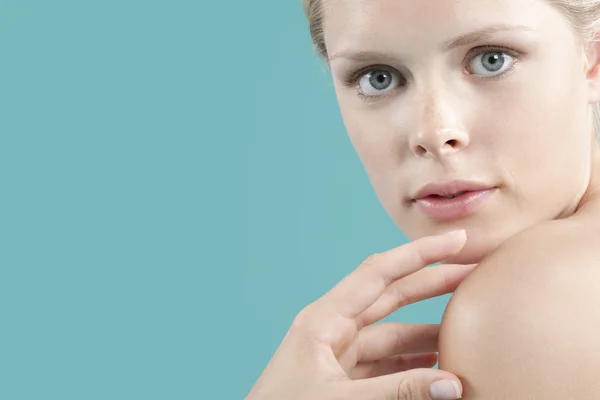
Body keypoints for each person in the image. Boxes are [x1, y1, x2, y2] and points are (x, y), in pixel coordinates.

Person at [247, 0, 600, 398]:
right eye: (377, 78)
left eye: (491, 59)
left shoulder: (532, 301)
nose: (433, 132)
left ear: (592, 55)